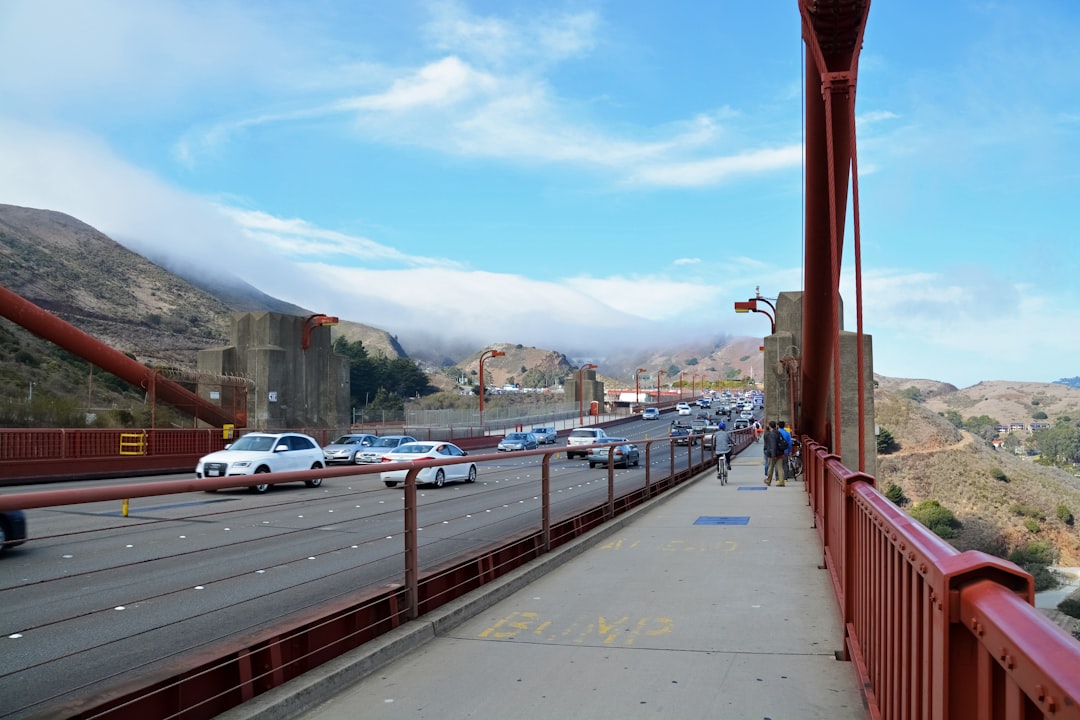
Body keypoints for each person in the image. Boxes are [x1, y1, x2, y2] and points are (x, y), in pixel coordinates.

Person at [764, 421, 786, 486]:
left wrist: (773, 455)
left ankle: (768, 481)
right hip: (780, 453)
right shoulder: (778, 432)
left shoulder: (771, 434)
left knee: (770, 467)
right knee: (780, 468)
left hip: (773, 454)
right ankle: (781, 482)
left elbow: (773, 445)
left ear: (770, 426)